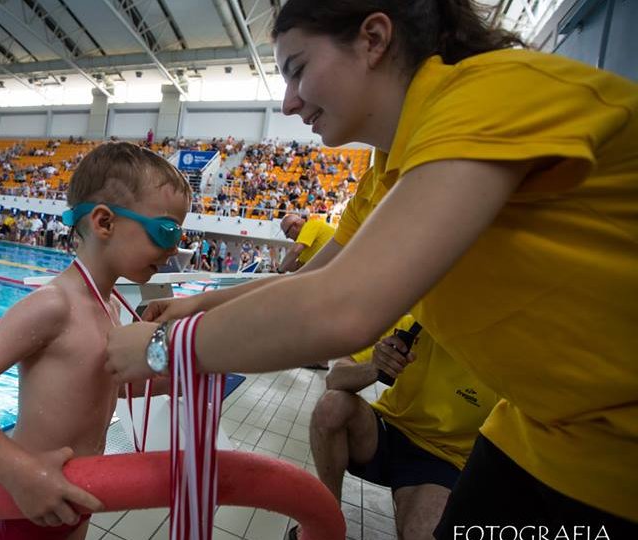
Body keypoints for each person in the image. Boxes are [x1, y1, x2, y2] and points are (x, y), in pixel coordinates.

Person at [105, 0, 638, 536]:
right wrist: (194, 304)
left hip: (618, 457)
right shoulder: (389, 170)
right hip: (539, 432)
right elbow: (311, 280)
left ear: (373, 39)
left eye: (297, 70)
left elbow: (343, 308)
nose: (288, 102)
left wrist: (163, 351)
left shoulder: (487, 94)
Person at [0, 142, 191, 540]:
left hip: (77, 491)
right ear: (104, 223)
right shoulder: (54, 305)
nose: (175, 247)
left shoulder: (111, 304)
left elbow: (106, 386)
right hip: (32, 498)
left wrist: (183, 370)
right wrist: (17, 472)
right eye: (167, 231)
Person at [292, 315, 497, 540]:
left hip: (443, 459)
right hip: (387, 431)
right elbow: (335, 378)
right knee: (332, 405)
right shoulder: (416, 324)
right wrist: (374, 367)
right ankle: (326, 521)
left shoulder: (506, 359)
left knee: (422, 532)